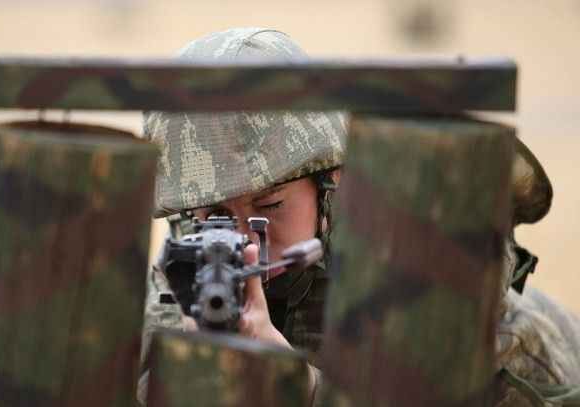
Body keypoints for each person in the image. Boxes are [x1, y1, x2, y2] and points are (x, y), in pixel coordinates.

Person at [138, 28, 580, 406]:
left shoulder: (420, 278)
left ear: (333, 182)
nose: (245, 240)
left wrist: (301, 389)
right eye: (216, 215)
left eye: (270, 206)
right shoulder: (184, 279)